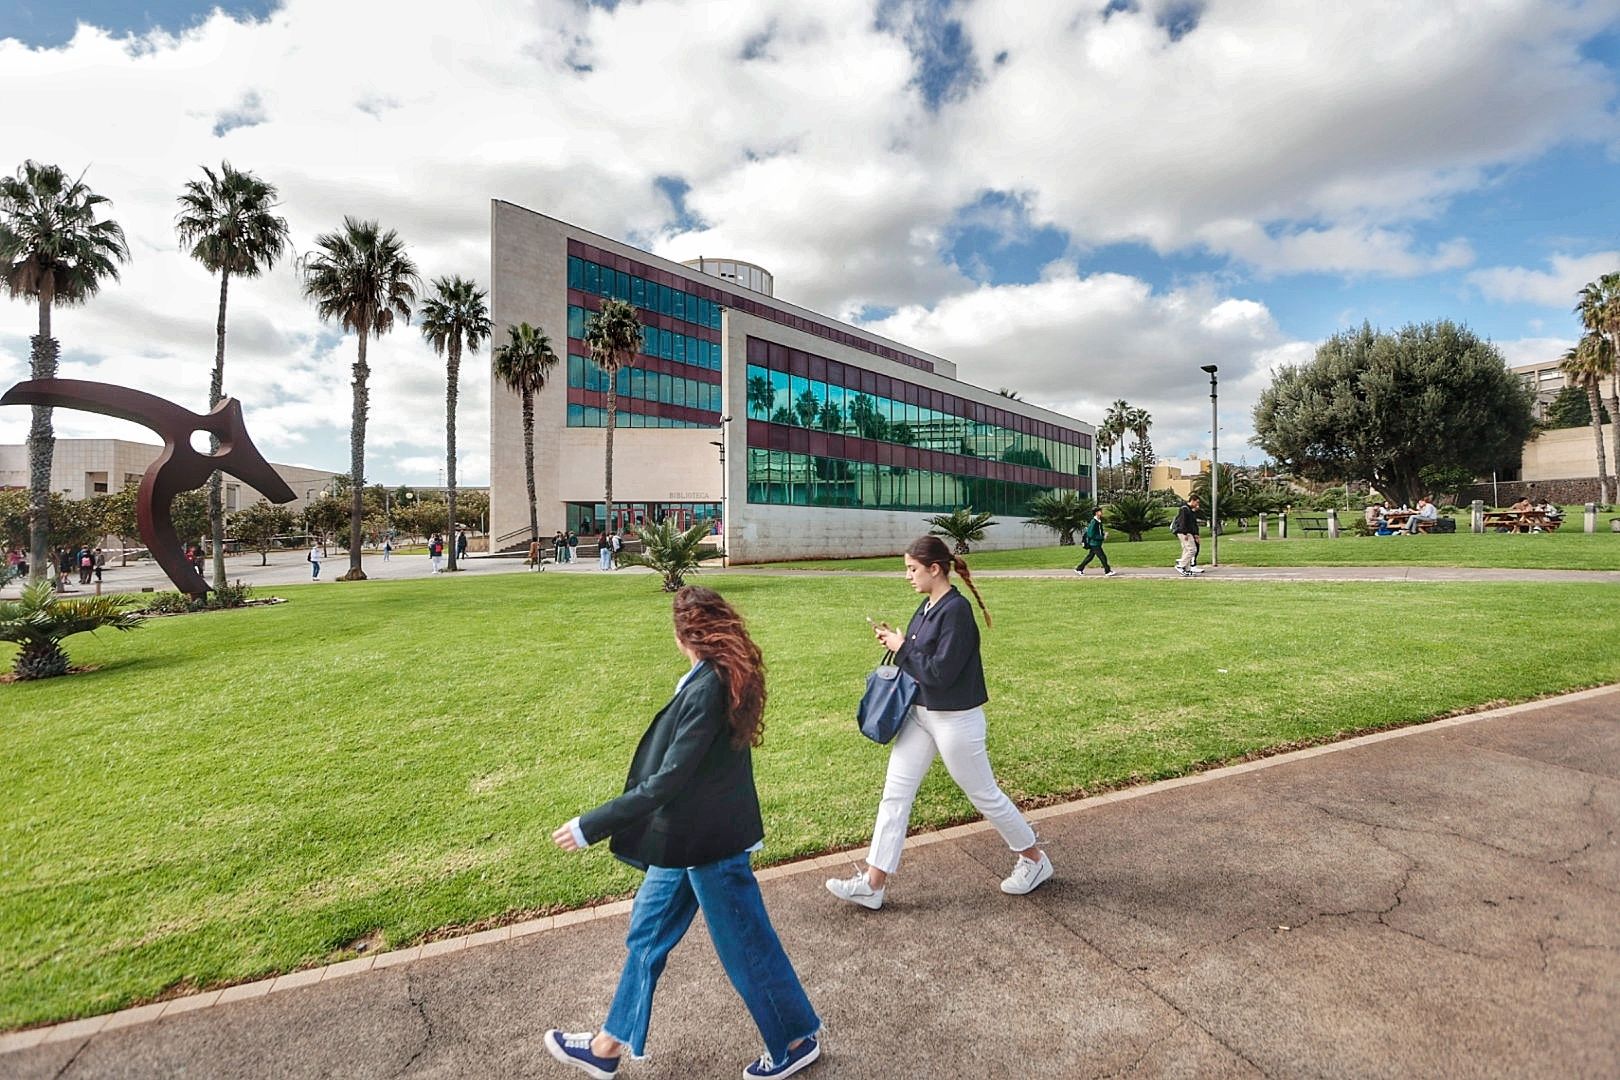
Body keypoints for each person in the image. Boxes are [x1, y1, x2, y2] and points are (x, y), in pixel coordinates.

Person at [544, 586, 822, 1080]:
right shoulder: (713, 678)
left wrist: (590, 826)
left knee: (746, 948)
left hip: (710, 847)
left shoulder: (710, 687)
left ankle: (796, 1042)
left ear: (684, 635)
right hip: (686, 842)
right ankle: (607, 1046)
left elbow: (669, 780)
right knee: (646, 937)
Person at [826, 535, 1053, 912]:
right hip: (919, 714)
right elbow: (919, 660)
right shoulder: (928, 605)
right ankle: (872, 883)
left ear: (935, 569)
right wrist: (897, 641)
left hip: (955, 719)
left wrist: (903, 648)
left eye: (912, 569)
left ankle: (1034, 860)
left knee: (984, 795)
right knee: (895, 795)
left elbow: (941, 672)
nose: (908, 576)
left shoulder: (956, 611)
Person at [1074, 505, 1116, 576]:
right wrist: (1102, 537)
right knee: (1103, 557)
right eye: (1100, 511)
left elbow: (1098, 532)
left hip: (1096, 543)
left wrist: (1103, 534)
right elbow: (1091, 534)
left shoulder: (1098, 521)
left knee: (1090, 557)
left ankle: (1079, 569)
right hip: (1094, 544)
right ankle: (1107, 571)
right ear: (1096, 513)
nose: (1101, 512)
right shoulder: (1094, 522)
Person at [1171, 496, 1201, 577]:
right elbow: (1183, 522)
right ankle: (1180, 565)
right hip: (1184, 532)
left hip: (1187, 532)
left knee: (1186, 550)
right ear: (1192, 501)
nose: (1198, 504)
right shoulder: (1184, 509)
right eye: (1197, 502)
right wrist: (1185, 533)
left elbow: (1192, 523)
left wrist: (1196, 535)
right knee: (1192, 550)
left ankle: (1186, 569)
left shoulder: (1190, 510)